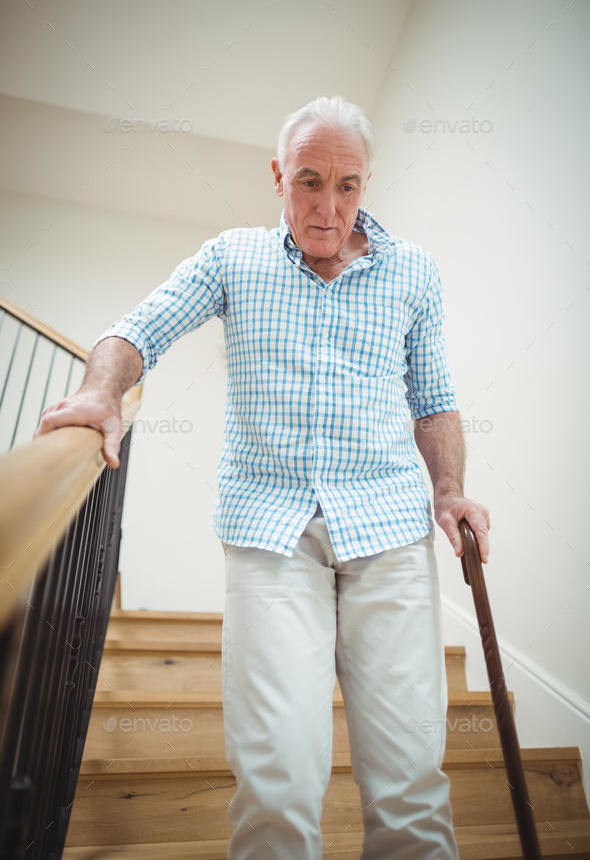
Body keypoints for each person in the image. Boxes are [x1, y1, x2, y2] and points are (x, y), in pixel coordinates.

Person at [36, 96, 490, 860]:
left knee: (412, 785)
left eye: (348, 186)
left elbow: (435, 401)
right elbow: (135, 328)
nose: (328, 205)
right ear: (279, 176)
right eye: (310, 180)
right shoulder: (232, 257)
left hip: (389, 531)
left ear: (366, 186)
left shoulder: (412, 271)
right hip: (270, 533)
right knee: (277, 780)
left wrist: (449, 491)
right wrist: (102, 391)